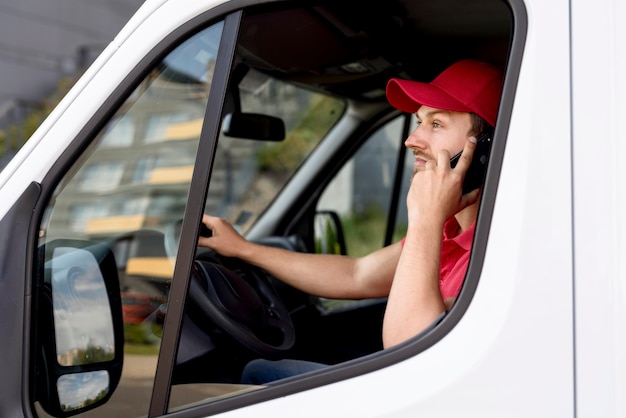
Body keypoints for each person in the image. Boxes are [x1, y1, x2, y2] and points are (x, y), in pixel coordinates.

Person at [198, 59, 503, 384]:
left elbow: (412, 358)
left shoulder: (498, 251)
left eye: (436, 124)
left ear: (485, 150)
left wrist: (425, 218)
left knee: (254, 375)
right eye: (418, 122)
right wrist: (243, 249)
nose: (412, 140)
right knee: (259, 370)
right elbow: (357, 274)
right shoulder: (448, 232)